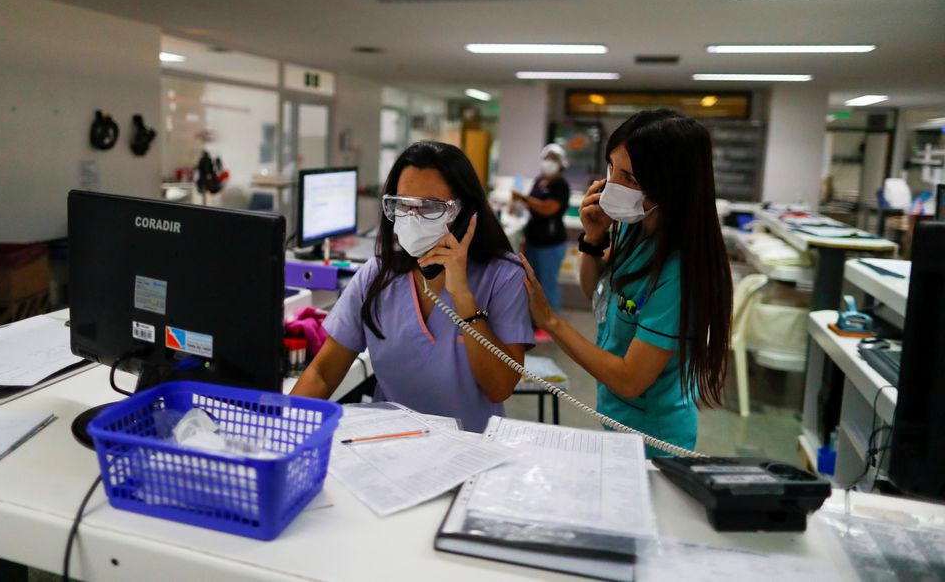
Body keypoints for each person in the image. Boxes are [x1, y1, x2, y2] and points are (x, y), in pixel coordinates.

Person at [519, 109, 732, 455]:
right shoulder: (638, 228)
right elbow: (598, 294)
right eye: (610, 170)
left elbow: (630, 379)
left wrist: (550, 320)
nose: (613, 186)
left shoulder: (677, 272)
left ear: (669, 186)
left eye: (630, 178)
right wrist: (593, 238)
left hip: (655, 440)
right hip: (618, 420)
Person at [291, 141, 534, 432]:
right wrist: (280, 433)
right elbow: (322, 373)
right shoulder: (378, 276)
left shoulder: (503, 276)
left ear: (465, 213)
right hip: (390, 446)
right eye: (403, 204)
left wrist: (462, 296)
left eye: (430, 207)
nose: (413, 217)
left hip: (472, 452)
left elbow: (499, 387)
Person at [512, 144, 571, 314]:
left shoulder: (560, 185)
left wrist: (523, 198)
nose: (548, 162)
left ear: (560, 163)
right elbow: (532, 205)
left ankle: (550, 324)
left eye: (553, 159)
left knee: (547, 285)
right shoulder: (539, 181)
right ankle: (535, 320)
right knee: (532, 283)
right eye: (546, 158)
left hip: (550, 244)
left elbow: (548, 208)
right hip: (533, 242)